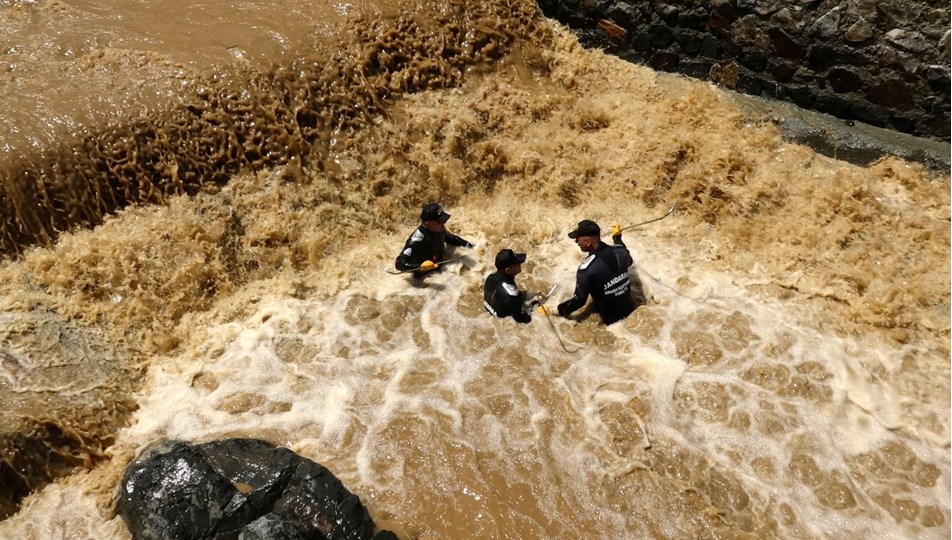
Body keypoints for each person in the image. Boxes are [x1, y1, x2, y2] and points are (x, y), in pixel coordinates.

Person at [557, 219, 635, 325]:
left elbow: (579, 301)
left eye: (578, 239)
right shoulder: (621, 251)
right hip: (632, 313)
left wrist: (556, 311)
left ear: (588, 241)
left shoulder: (587, 269)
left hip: (612, 324)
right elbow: (629, 261)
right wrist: (617, 238)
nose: (576, 242)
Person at [395, 203, 474, 276]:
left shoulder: (439, 229)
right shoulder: (417, 239)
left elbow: (453, 239)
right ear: (428, 223)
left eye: (443, 222)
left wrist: (470, 246)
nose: (443, 226)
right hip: (425, 276)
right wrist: (420, 267)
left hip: (440, 268)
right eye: (439, 222)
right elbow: (399, 263)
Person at [483, 249, 543, 324]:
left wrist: (531, 295)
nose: (520, 264)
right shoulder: (512, 295)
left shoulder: (491, 277)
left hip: (490, 310)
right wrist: (535, 303)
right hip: (502, 323)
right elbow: (524, 320)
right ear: (508, 270)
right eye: (517, 263)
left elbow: (502, 295)